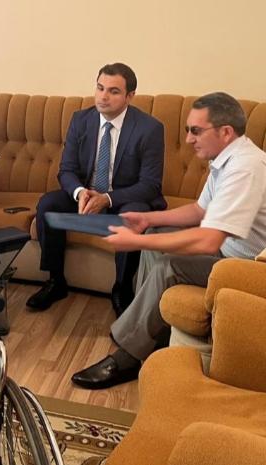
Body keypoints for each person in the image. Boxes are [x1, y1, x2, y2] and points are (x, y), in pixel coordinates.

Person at [71, 92, 266, 389]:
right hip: (233, 253)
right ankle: (151, 335)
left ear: (225, 132)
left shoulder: (246, 168)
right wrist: (147, 220)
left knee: (169, 266)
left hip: (257, 269)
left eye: (196, 131)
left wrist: (136, 242)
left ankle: (127, 357)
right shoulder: (228, 160)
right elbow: (200, 211)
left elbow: (208, 241)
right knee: (154, 235)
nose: (189, 139)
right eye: (188, 130)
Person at [26, 63, 166, 315]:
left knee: (133, 215)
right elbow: (66, 170)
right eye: (100, 88)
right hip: (87, 194)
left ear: (130, 96)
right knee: (48, 204)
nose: (103, 96)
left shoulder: (149, 129)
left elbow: (150, 185)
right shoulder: (81, 120)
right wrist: (80, 192)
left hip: (124, 198)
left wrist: (107, 199)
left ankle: (122, 288)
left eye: (113, 91)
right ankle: (55, 281)